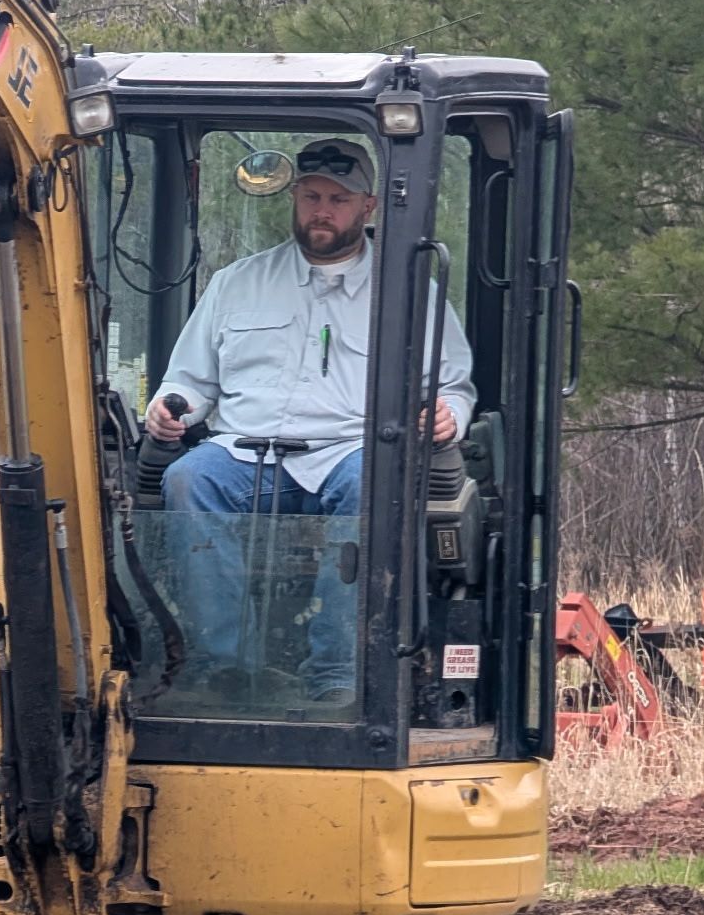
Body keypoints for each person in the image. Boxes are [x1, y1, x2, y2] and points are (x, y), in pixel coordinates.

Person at [145, 136, 474, 706]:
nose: (321, 210)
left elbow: (452, 386)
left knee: (375, 479)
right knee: (188, 479)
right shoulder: (237, 283)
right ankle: (225, 666)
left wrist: (448, 414)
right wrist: (169, 407)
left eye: (338, 199)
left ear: (369, 207)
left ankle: (337, 673)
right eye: (311, 196)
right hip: (247, 453)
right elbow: (191, 382)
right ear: (295, 198)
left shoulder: (410, 293)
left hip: (349, 452)